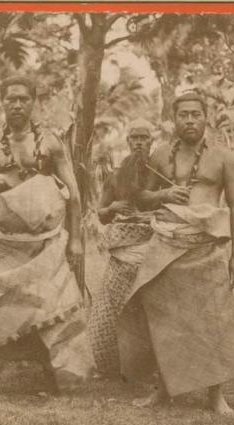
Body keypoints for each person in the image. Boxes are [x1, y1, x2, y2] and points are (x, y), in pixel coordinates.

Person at [127, 91, 234, 414]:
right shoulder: (158, 156)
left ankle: (216, 396)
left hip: (206, 246)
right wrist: (165, 194)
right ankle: (162, 390)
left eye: (195, 114)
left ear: (205, 117)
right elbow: (140, 197)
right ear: (174, 119)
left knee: (214, 319)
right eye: (183, 114)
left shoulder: (223, 157)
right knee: (161, 317)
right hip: (166, 245)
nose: (189, 120)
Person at [0, 76, 92, 396]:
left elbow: (74, 195)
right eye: (11, 99)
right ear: (2, 102)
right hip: (1, 242)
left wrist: (75, 240)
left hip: (43, 244)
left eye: (23, 99)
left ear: (33, 101)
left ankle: (54, 378)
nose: (17, 105)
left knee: (49, 309)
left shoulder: (49, 143)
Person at [88, 119, 155, 377]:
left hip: (154, 250)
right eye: (134, 138)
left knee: (151, 309)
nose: (139, 142)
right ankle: (109, 366)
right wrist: (113, 208)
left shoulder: (160, 173)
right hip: (123, 253)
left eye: (144, 138)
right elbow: (101, 214)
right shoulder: (116, 176)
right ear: (128, 142)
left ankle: (151, 366)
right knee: (110, 309)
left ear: (152, 142)